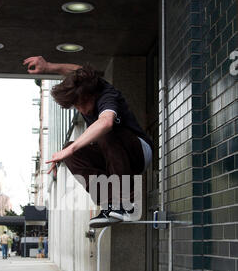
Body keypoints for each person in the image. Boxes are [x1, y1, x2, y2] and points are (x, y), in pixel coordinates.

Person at [23, 56, 153, 228]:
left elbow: (106, 121)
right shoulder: (87, 84)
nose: (80, 109)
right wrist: (49, 66)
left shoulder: (107, 95)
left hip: (139, 152)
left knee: (104, 131)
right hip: (112, 158)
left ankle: (127, 204)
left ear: (91, 94)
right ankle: (110, 204)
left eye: (82, 104)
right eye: (75, 106)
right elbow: (77, 72)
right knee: (71, 151)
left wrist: (72, 148)